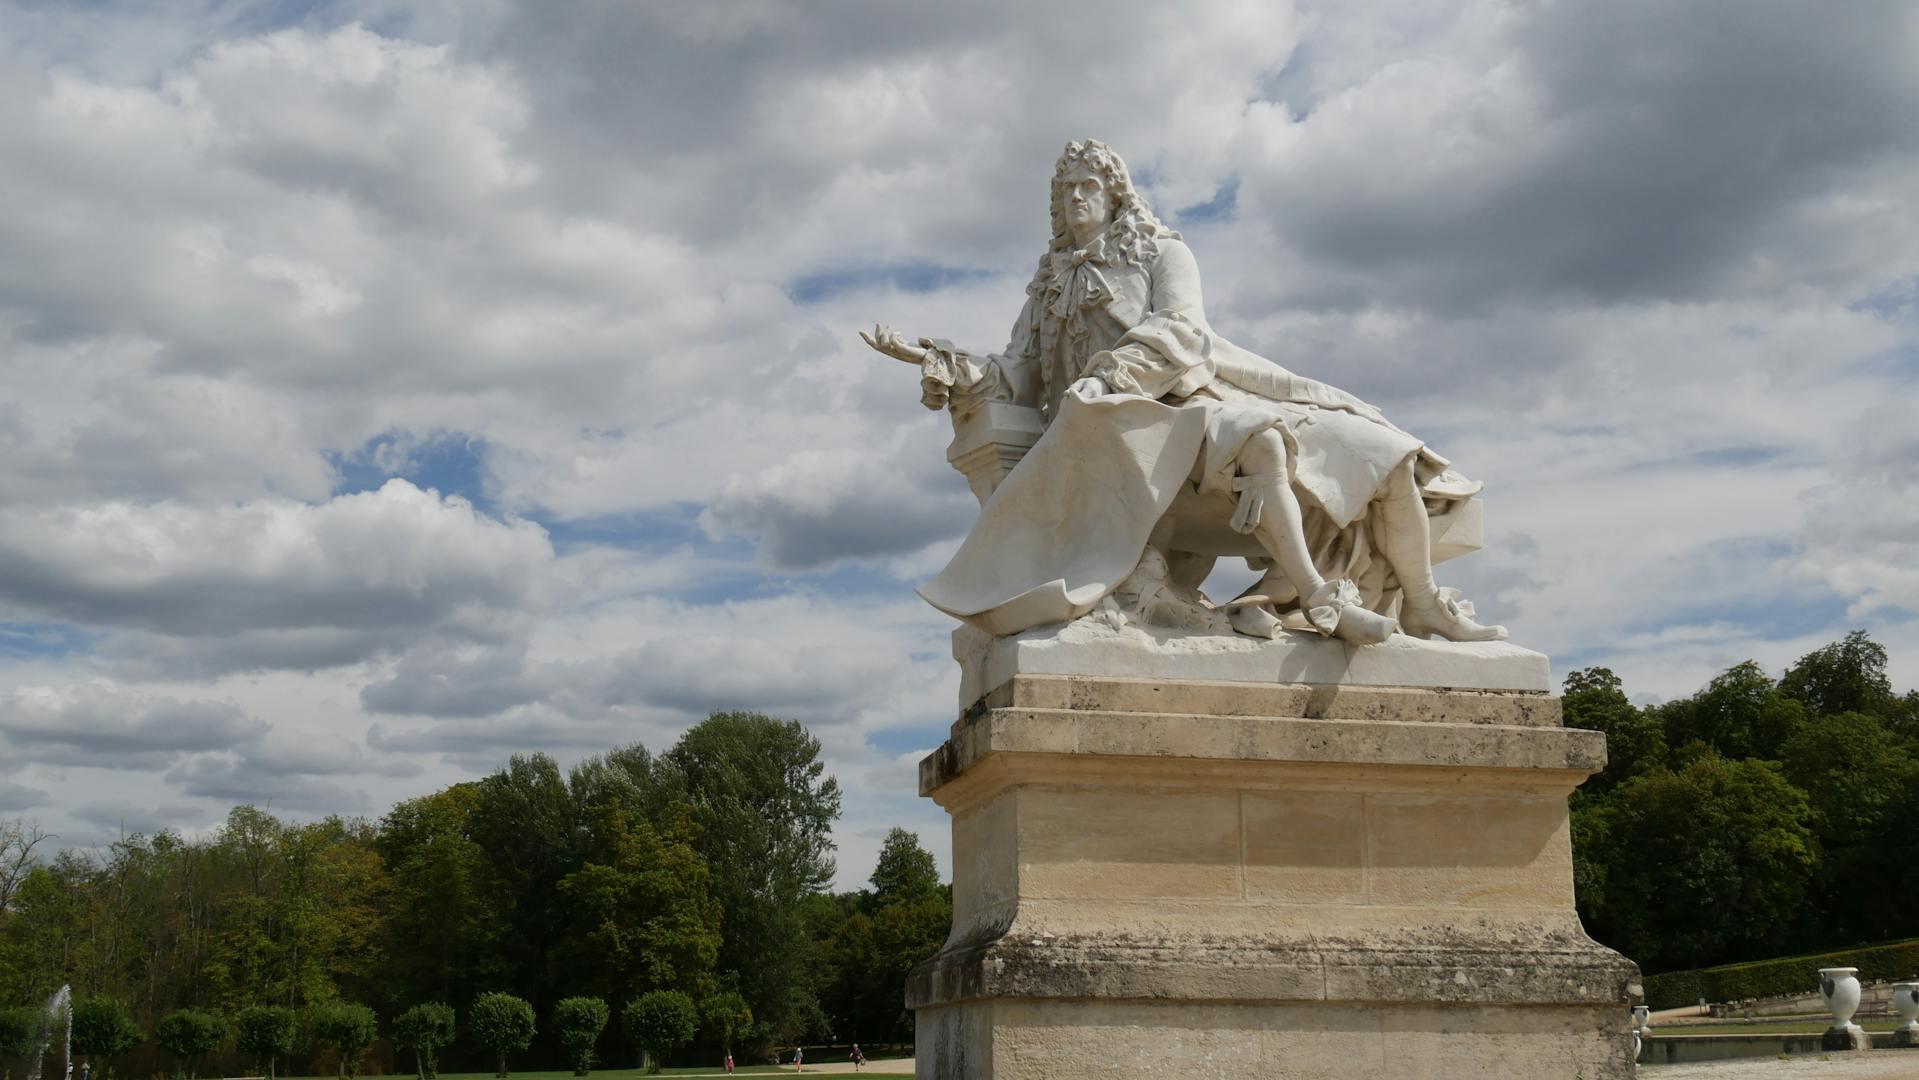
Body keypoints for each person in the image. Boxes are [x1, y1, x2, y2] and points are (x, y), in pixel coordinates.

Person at [864, 139, 1504, 644]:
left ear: (1115, 196)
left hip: (1190, 400)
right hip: (1117, 434)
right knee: (1264, 446)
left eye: (1090, 186)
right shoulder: (1047, 288)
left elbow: (1183, 331)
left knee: (1389, 452)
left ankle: (1423, 607)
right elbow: (1021, 371)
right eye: (1066, 191)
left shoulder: (1163, 253)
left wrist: (1116, 370)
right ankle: (1317, 597)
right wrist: (940, 360)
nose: (1077, 198)